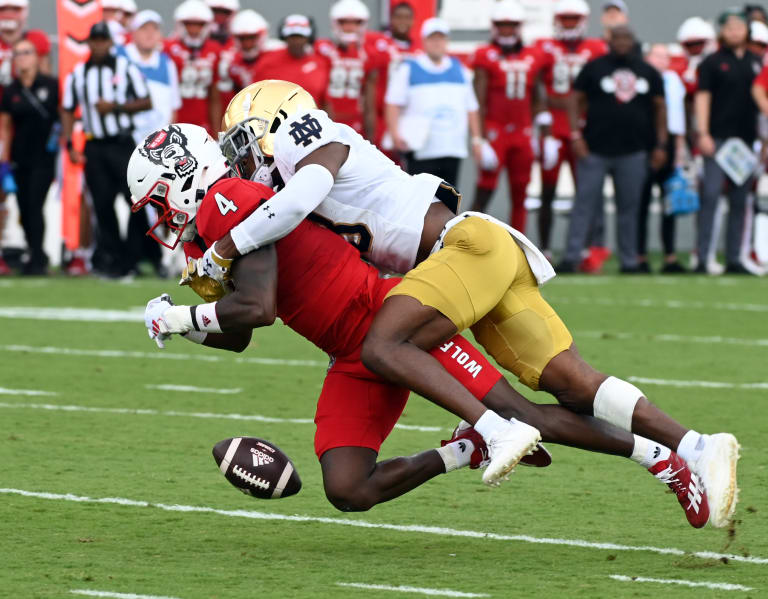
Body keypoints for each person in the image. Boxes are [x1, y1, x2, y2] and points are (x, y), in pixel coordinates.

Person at [208, 80, 738, 527]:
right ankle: (690, 448)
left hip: (464, 250)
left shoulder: (312, 135)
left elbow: (297, 200)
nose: (244, 157)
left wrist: (222, 249)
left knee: (383, 345)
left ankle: (486, 431)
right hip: (472, 259)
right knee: (571, 382)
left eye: (244, 139)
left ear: (275, 122)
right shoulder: (286, 187)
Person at [558, 26, 667, 274]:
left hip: (634, 150)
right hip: (595, 149)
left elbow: (660, 108)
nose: (622, 43)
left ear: (633, 41)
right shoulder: (594, 68)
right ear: (609, 41)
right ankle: (572, 256)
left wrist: (661, 144)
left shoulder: (648, 71)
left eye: (626, 38)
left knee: (629, 207)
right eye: (617, 38)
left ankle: (629, 260)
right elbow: (574, 100)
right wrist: (575, 135)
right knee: (584, 204)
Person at [61, 22, 152, 278]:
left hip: (121, 143)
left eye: (103, 40)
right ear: (89, 43)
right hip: (94, 145)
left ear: (110, 43)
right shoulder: (78, 73)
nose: (99, 45)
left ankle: (133, 256)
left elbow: (146, 100)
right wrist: (70, 143)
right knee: (101, 204)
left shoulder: (125, 68)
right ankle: (114, 258)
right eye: (95, 40)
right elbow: (67, 108)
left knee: (136, 201)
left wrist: (117, 108)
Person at [534, 0, 607, 261]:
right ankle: (544, 247)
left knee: (585, 191)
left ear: (583, 20)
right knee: (548, 189)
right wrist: (542, 121)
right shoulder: (546, 47)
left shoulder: (596, 48)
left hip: (582, 126)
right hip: (554, 125)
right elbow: (535, 83)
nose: (568, 24)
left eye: (572, 19)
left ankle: (585, 247)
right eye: (564, 19)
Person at [469, 0, 547, 233]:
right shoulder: (486, 55)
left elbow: (538, 94)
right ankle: (470, 240)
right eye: (502, 25)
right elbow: (478, 101)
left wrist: (541, 128)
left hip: (522, 131)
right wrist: (481, 139)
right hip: (495, 130)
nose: (507, 31)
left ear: (519, 27)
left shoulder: (534, 55)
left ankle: (520, 247)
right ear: (494, 27)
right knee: (485, 188)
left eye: (511, 26)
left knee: (521, 192)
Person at [695, 9, 762, 275]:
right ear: (722, 31)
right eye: (730, 27)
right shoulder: (711, 62)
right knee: (711, 195)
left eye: (739, 27)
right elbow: (702, 97)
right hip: (718, 138)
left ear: (747, 30)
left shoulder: (757, 62)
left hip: (746, 141)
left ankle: (736, 256)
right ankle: (704, 257)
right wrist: (703, 132)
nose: (735, 31)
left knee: (740, 199)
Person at [385, 18, 481, 186]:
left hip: (452, 148)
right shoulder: (408, 68)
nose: (437, 43)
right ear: (424, 41)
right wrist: (395, 134)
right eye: (433, 38)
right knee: (420, 200)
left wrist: (476, 140)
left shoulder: (460, 70)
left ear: (447, 41)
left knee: (449, 201)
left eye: (441, 38)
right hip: (421, 149)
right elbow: (392, 103)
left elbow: (471, 107)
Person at [0, 38, 57, 275]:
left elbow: (63, 116)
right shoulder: (11, 90)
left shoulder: (51, 85)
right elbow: (4, 125)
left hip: (44, 157)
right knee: (24, 208)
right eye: (18, 53)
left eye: (27, 52)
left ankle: (37, 258)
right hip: (20, 158)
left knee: (35, 205)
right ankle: (36, 253)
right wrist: (4, 160)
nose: (22, 57)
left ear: (36, 57)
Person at [637, 44, 688, 274]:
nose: (662, 60)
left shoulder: (672, 80)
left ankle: (670, 255)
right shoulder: (640, 76)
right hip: (644, 145)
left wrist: (677, 148)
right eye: (657, 55)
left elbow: (676, 115)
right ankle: (640, 255)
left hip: (666, 145)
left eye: (665, 56)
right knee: (641, 203)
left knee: (670, 204)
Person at [316, 0, 377, 139]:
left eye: (356, 22)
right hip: (325, 118)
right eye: (344, 22)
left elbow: (369, 102)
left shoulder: (368, 54)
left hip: (355, 121)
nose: (350, 27)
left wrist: (372, 140)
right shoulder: (321, 48)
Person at [119, 10, 181, 145]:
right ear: (133, 33)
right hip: (124, 143)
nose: (150, 34)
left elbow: (173, 107)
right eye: (144, 29)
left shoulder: (167, 63)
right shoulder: (119, 57)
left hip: (158, 145)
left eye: (155, 29)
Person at [165, 0, 222, 136]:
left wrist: (216, 133)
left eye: (199, 25)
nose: (194, 30)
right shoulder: (168, 48)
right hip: (174, 120)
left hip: (202, 122)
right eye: (189, 24)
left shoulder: (214, 49)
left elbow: (214, 96)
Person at [252, 15, 331, 110]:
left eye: (300, 36)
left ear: (309, 38)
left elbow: (325, 102)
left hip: (311, 121)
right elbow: (255, 98)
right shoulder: (267, 62)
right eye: (292, 36)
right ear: (284, 37)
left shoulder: (321, 63)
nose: (296, 41)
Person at [217, 9, 268, 104]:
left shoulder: (275, 55)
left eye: (251, 38)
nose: (247, 44)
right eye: (242, 39)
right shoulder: (229, 62)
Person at [0, 0, 51, 86]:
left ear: (25, 11)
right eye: (3, 9)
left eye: (15, 9)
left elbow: (45, 77)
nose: (8, 14)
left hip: (25, 96)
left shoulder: (36, 39)